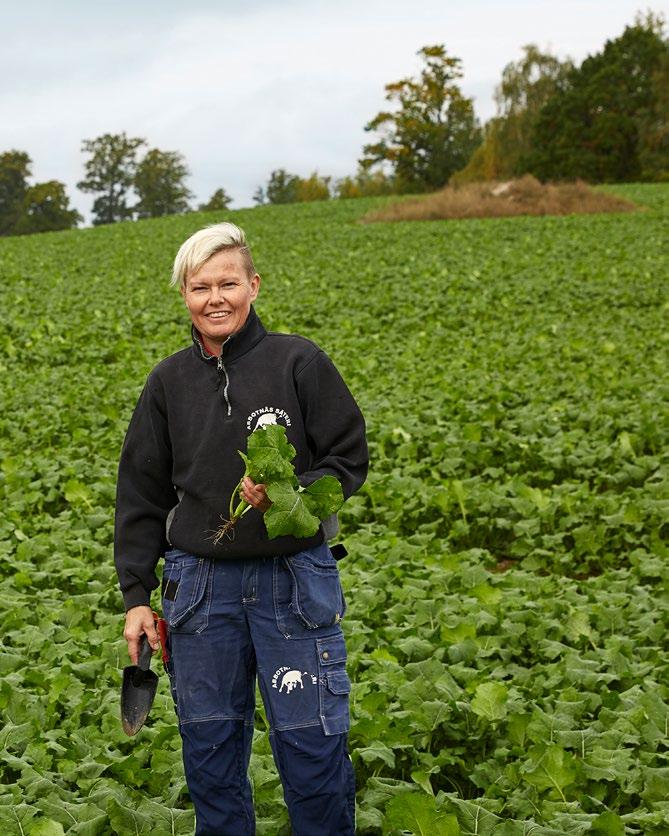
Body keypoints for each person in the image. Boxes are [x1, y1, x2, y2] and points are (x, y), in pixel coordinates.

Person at [114, 222, 368, 836]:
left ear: (253, 285)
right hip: (200, 593)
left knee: (312, 749)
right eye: (201, 287)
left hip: (293, 585)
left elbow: (348, 458)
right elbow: (141, 494)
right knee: (211, 753)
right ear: (184, 295)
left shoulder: (298, 361)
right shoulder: (168, 382)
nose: (216, 298)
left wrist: (291, 492)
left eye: (229, 282)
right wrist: (138, 598)